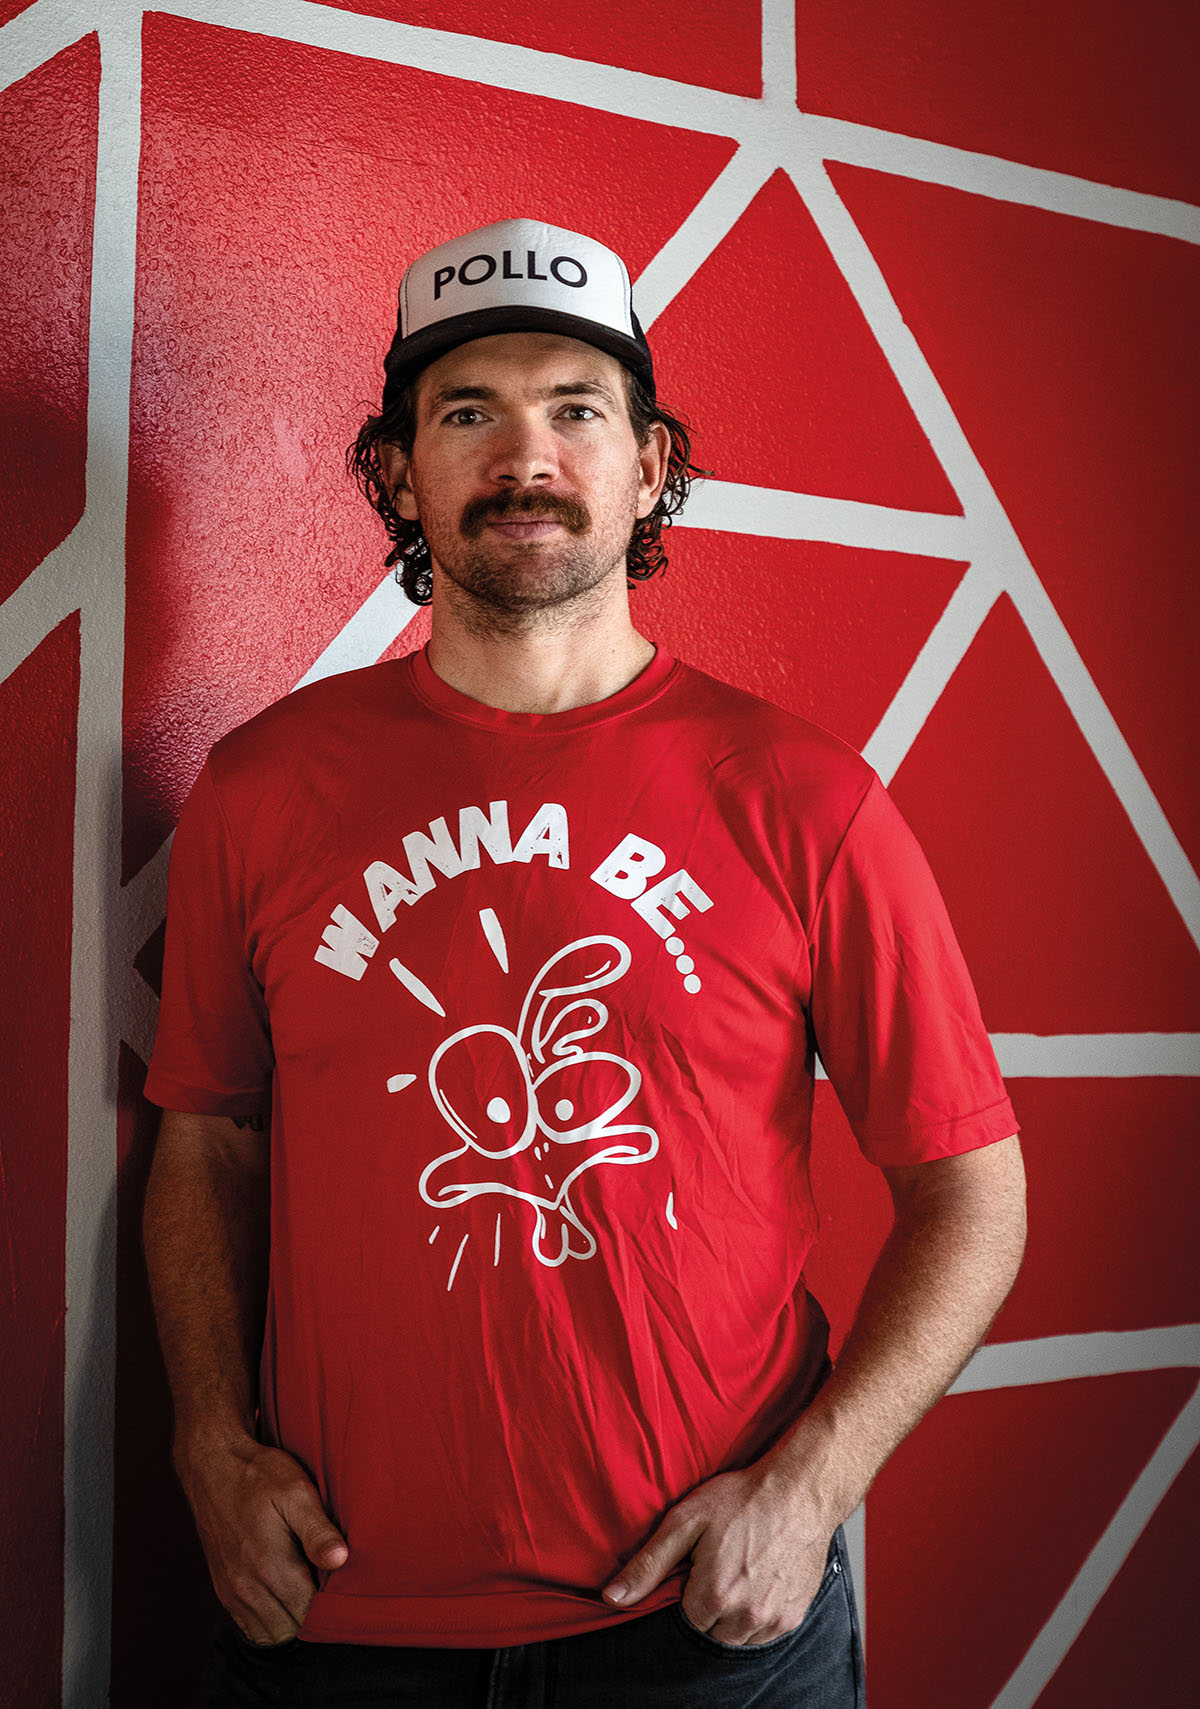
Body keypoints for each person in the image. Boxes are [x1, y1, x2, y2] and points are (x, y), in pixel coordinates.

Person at [142, 217, 1026, 1708]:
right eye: (468, 411)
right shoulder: (259, 788)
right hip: (340, 1628)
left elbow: (974, 1188)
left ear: (650, 465)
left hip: (710, 1637)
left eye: (576, 409)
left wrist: (811, 1486)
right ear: (398, 471)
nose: (526, 455)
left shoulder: (805, 799)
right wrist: (206, 1444)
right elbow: (207, 1142)